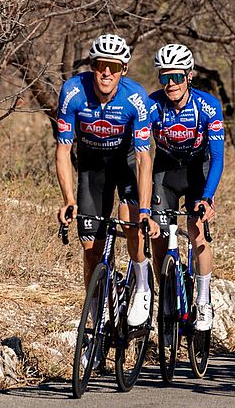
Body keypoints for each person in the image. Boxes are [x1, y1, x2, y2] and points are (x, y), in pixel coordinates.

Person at [55, 34, 160, 327]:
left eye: (113, 67)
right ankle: (98, 319)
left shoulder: (135, 98)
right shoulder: (73, 92)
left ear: (122, 70)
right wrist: (68, 200)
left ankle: (141, 283)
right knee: (91, 252)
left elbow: (143, 159)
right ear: (92, 65)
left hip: (125, 162)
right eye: (101, 65)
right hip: (92, 166)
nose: (106, 73)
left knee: (131, 224)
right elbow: (63, 150)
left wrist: (145, 210)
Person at [147, 44, 225, 332]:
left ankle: (203, 300)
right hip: (165, 169)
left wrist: (207, 198)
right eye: (164, 78)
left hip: (198, 169)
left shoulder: (207, 106)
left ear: (189, 76)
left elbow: (217, 157)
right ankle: (166, 293)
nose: (170, 85)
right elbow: (139, 150)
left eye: (176, 77)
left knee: (196, 229)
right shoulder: (152, 105)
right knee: (156, 231)